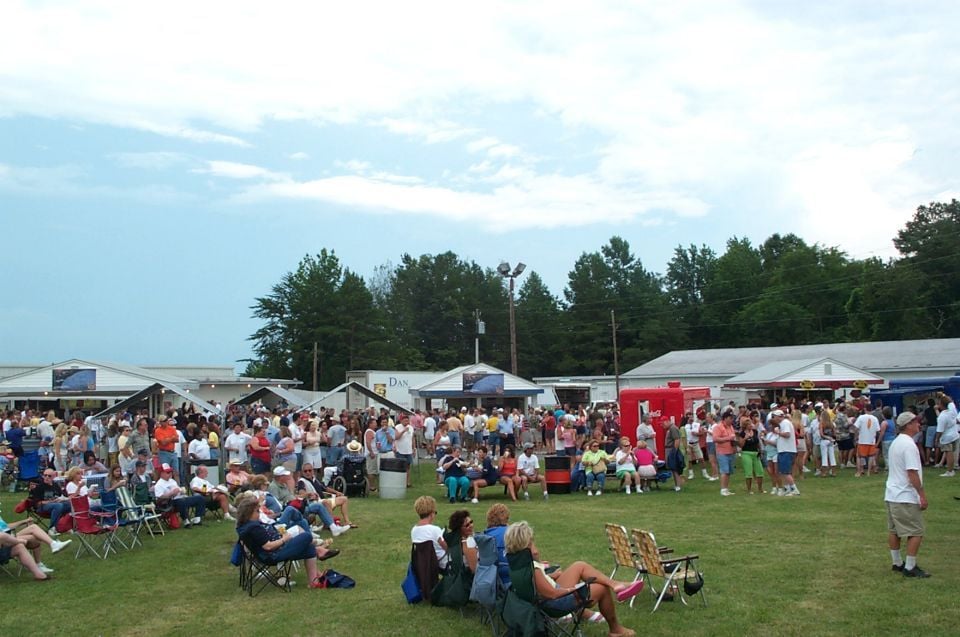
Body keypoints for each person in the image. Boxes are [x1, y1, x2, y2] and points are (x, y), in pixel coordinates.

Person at [504, 521, 639, 636]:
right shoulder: (533, 569)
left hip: (545, 597)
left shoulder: (516, 564)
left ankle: (615, 584)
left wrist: (551, 576)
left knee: (579, 565)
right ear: (526, 544)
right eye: (531, 541)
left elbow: (535, 584)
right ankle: (616, 630)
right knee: (601, 588)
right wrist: (575, 588)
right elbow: (552, 594)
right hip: (555, 604)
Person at [235, 494, 339, 590]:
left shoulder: (245, 526)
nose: (259, 514)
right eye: (257, 511)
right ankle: (319, 551)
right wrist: (284, 539)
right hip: (272, 555)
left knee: (309, 547)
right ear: (248, 513)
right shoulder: (253, 528)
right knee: (306, 536)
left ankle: (314, 581)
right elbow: (268, 546)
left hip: (270, 552)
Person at [885, 412, 929, 577]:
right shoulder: (909, 445)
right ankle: (910, 566)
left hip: (892, 493)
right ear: (908, 425)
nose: (919, 424)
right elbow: (912, 472)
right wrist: (921, 494)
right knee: (916, 531)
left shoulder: (896, 442)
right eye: (916, 422)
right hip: (905, 495)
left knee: (894, 530)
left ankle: (897, 562)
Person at [297, 463, 352, 535]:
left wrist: (337, 492)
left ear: (313, 471)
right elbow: (301, 494)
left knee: (344, 499)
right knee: (327, 502)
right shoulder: (301, 481)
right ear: (302, 472)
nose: (308, 472)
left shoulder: (315, 479)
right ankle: (333, 526)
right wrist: (309, 494)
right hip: (313, 502)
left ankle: (347, 522)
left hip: (321, 500)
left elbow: (325, 488)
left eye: (310, 470)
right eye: (305, 471)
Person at [153, 462, 207, 527]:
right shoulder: (159, 485)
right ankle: (186, 520)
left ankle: (197, 519)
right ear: (162, 473)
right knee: (180, 501)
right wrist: (171, 494)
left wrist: (181, 491)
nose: (170, 473)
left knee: (200, 498)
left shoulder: (172, 481)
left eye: (170, 472)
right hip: (170, 503)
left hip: (180, 498)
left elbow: (179, 490)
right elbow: (159, 499)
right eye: (168, 472)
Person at [30, 469, 71, 536]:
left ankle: (66, 526)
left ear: (53, 477)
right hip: (42, 507)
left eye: (49, 476)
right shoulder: (39, 487)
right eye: (45, 475)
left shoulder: (55, 485)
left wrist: (61, 499)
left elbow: (61, 496)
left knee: (70, 504)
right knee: (58, 506)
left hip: (56, 504)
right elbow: (37, 503)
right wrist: (51, 501)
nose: (46, 477)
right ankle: (52, 528)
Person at [411, 495, 448, 568]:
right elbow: (446, 547)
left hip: (422, 563)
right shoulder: (435, 529)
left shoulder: (414, 530)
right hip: (441, 562)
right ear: (431, 513)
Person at [481, 503, 511, 585]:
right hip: (509, 577)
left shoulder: (484, 536)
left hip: (488, 579)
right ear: (506, 518)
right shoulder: (510, 533)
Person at [772, 410, 800, 496]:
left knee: (786, 472)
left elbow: (787, 434)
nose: (774, 418)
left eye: (775, 416)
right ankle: (788, 488)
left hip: (786, 450)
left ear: (779, 416)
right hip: (784, 450)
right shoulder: (783, 423)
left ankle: (794, 489)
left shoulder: (785, 423)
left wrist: (778, 432)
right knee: (783, 471)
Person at [712, 411, 737, 496]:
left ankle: (726, 488)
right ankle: (722, 489)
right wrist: (728, 438)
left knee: (729, 471)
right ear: (725, 418)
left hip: (730, 451)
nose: (732, 420)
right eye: (730, 418)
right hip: (722, 452)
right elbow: (715, 439)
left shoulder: (731, 427)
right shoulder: (718, 427)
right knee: (724, 471)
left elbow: (733, 437)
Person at [737, 415, 764, 494]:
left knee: (760, 471)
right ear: (745, 426)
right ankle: (749, 489)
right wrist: (745, 438)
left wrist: (760, 450)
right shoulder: (742, 433)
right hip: (746, 453)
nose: (751, 425)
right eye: (749, 424)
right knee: (748, 472)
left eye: (751, 424)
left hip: (755, 452)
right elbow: (740, 445)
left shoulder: (755, 431)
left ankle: (760, 488)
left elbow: (757, 441)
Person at [935, 395, 959, 477]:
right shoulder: (953, 410)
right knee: (952, 453)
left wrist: (937, 439)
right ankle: (952, 468)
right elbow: (950, 402)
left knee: (949, 453)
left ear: (941, 405)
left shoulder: (942, 416)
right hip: (955, 434)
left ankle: (950, 471)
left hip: (946, 437)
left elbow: (940, 430)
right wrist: (943, 396)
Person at [853, 407, 881, 477]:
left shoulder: (861, 417)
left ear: (865, 409)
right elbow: (878, 430)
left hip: (862, 440)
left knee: (860, 456)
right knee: (871, 456)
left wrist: (856, 436)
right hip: (871, 440)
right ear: (871, 410)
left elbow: (856, 427)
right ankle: (868, 472)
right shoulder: (875, 418)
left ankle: (860, 471)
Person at [664, 418, 685, 493]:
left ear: (667, 421)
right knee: (672, 469)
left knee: (675, 468)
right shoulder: (670, 429)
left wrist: (674, 451)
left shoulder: (673, 428)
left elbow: (677, 440)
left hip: (672, 449)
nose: (662, 426)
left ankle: (678, 486)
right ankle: (676, 485)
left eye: (663, 424)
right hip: (669, 449)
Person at [394, 413, 415, 488]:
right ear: (401, 421)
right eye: (405, 421)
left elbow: (412, 438)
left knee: (408, 466)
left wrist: (414, 448)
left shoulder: (411, 428)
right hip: (400, 450)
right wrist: (403, 431)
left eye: (407, 420)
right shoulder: (397, 427)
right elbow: (396, 437)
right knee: (400, 466)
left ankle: (407, 482)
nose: (406, 422)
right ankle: (400, 481)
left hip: (408, 450)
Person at [818, 409, 838, 477]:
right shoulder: (831, 423)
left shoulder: (821, 423)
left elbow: (821, 434)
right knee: (832, 456)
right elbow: (834, 433)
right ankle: (834, 472)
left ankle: (824, 472)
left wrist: (826, 437)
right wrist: (831, 438)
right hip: (831, 440)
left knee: (824, 456)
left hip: (824, 440)